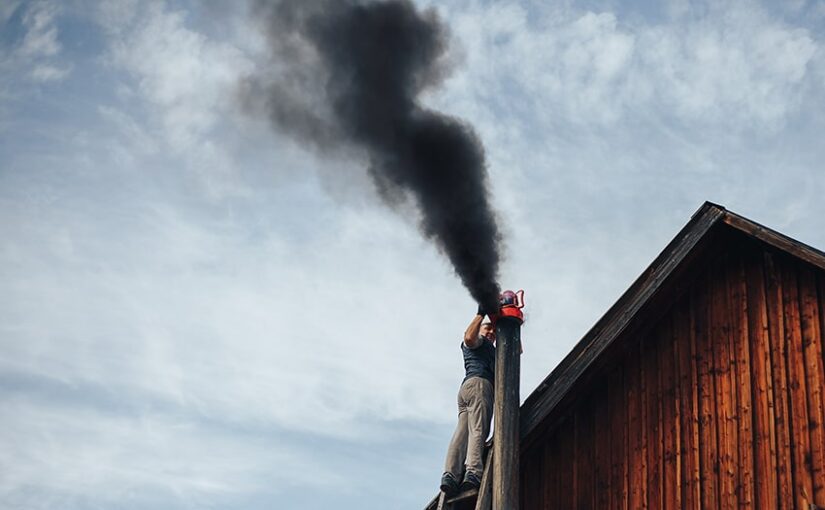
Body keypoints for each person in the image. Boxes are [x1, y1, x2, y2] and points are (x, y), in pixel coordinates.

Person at [440, 305, 496, 496]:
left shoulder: (491, 349)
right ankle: (472, 472)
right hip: (480, 385)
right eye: (488, 328)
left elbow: (517, 352)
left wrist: (511, 326)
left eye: (494, 331)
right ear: (480, 328)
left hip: (466, 389)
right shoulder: (479, 341)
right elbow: (469, 338)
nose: (491, 333)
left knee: (462, 432)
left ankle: (451, 475)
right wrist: (481, 314)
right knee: (478, 429)